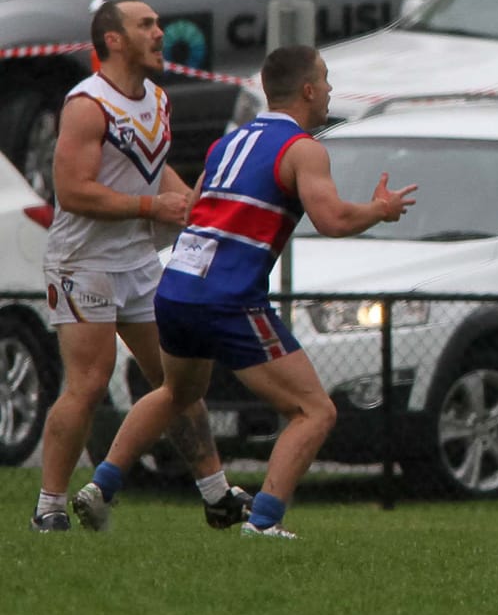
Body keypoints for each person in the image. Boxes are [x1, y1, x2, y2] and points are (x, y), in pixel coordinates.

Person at [73, 45, 416, 539]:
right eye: (325, 79)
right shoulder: (303, 148)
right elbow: (333, 219)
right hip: (228, 298)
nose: (330, 90)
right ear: (307, 89)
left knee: (176, 392)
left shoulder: (227, 143)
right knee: (313, 410)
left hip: (177, 289)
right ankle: (264, 522)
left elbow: (194, 210)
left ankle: (101, 487)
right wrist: (379, 210)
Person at [33, 0, 249, 533]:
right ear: (113, 40)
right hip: (82, 262)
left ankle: (217, 495)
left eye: (156, 23)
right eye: (146, 25)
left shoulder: (156, 99)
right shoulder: (87, 104)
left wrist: (201, 212)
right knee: (88, 382)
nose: (159, 32)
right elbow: (74, 191)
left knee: (178, 381)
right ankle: (49, 508)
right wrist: (153, 208)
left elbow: (151, 170)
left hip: (138, 261)